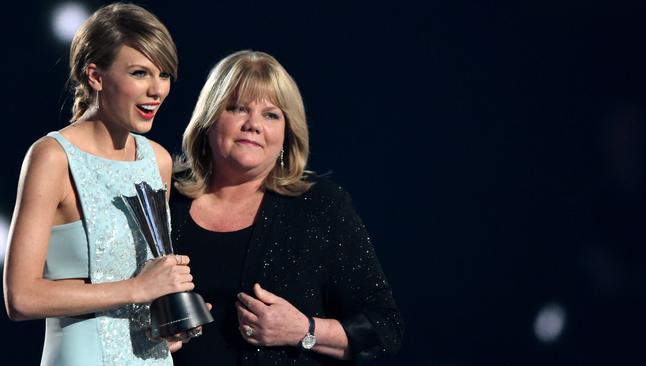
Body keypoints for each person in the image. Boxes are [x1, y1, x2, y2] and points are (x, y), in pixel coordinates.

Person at [170, 50, 404, 365]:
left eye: (271, 114)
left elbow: (385, 328)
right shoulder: (165, 198)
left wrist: (303, 330)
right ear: (209, 120)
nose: (253, 124)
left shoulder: (320, 206)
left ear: (286, 134)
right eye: (238, 108)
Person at [3, 3, 196, 365]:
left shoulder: (158, 161)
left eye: (165, 74)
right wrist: (137, 289)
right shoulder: (52, 157)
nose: (157, 90)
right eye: (140, 73)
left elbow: (149, 282)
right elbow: (20, 297)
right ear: (96, 76)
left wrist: (166, 318)